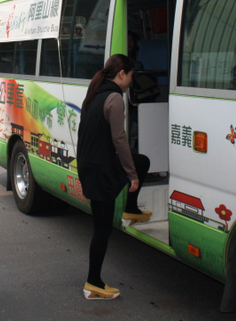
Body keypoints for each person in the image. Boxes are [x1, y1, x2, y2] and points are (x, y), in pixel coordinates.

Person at [77, 54, 150, 301]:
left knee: (142, 161)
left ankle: (131, 210)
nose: (131, 81)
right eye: (130, 76)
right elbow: (120, 141)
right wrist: (132, 176)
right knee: (102, 229)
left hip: (90, 167)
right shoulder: (114, 98)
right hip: (101, 172)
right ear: (122, 74)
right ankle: (93, 283)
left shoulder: (96, 95)